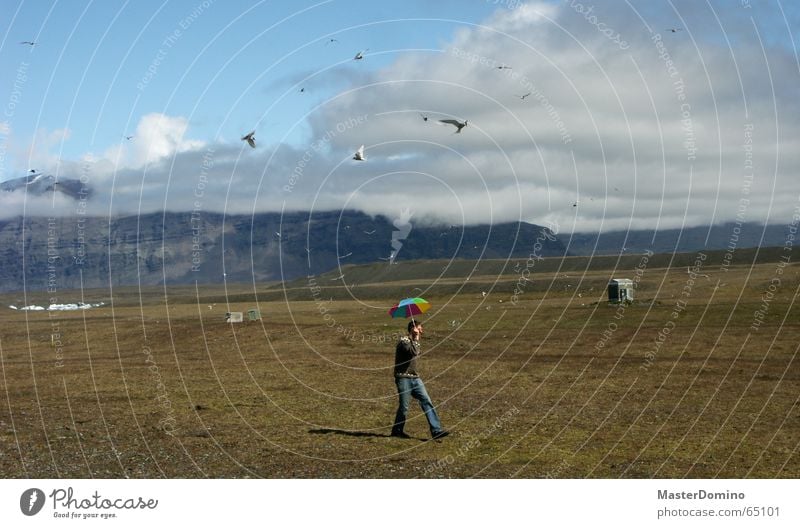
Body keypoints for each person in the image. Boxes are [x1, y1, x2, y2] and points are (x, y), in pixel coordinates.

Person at [391, 320, 449, 439]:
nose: (421, 330)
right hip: (403, 378)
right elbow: (413, 352)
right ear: (413, 328)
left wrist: (416, 338)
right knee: (404, 407)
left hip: (415, 378)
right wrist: (416, 337)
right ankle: (397, 431)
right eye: (419, 328)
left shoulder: (413, 341)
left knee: (426, 401)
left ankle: (436, 430)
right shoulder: (404, 341)